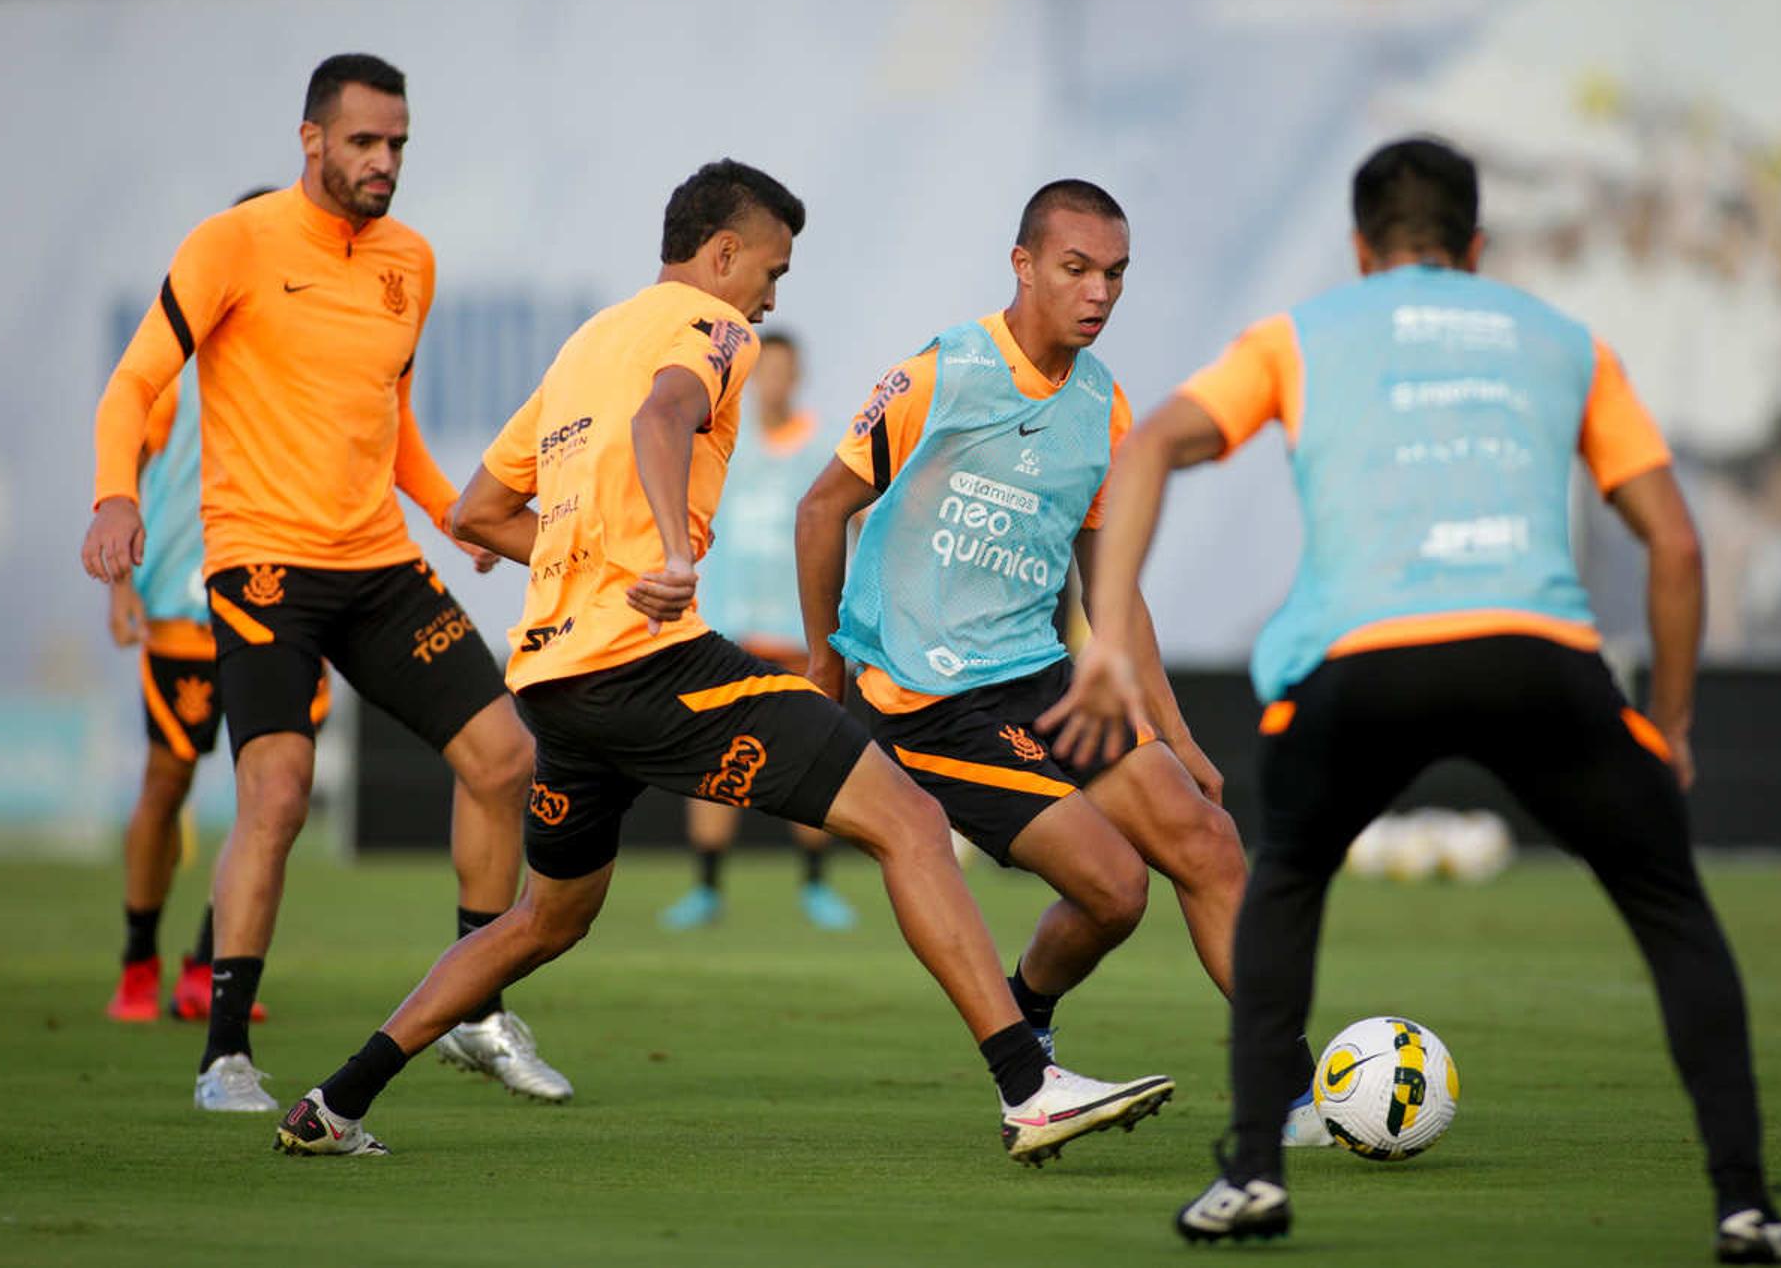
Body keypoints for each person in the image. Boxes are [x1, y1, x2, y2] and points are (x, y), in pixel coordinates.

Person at [270, 159, 1172, 1164]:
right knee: (910, 820)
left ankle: (336, 1102)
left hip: (555, 686)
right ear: (724, 254)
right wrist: (666, 548)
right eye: (772, 271)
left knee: (542, 920)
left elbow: (479, 511)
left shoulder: (585, 346)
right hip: (647, 663)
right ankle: (1026, 1085)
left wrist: (591, 552)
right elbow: (664, 417)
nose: (773, 297)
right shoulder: (715, 330)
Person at [1044, 138, 1781, 1265]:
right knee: (1672, 913)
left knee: (1284, 884)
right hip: (1538, 658)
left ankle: (1254, 1174)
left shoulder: (1300, 335)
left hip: (1362, 664)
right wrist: (1677, 725)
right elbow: (1678, 546)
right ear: (1478, 246)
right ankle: (1747, 1205)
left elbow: (1158, 443)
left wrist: (1111, 641)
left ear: (1362, 251)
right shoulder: (1566, 342)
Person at [82, 53, 571, 1112]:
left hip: (377, 562)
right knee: (279, 790)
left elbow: (386, 427)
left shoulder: (411, 260)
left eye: (397, 144)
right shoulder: (233, 243)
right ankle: (224, 1056)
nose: (383, 161)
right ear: (311, 141)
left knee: (504, 761)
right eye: (363, 142)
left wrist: (454, 515)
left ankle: (474, 1011)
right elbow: (135, 382)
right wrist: (114, 496)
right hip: (261, 564)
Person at [795, 179, 1275, 1109]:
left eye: (1116, 273)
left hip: (1041, 677)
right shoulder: (941, 373)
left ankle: (1293, 1087)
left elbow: (1112, 586)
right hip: (931, 697)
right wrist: (824, 666)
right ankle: (1023, 1046)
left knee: (1206, 841)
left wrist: (1177, 736)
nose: (1099, 292)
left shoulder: (1104, 405)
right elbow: (822, 510)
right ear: (1023, 266)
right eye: (1077, 268)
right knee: (1118, 885)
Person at [105, 279, 330, 1022]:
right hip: (185, 611)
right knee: (166, 784)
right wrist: (120, 586)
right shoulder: (181, 371)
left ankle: (208, 965)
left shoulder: (326, 373)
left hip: (283, 615)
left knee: (267, 798)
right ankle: (139, 957)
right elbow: (127, 453)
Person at [657, 331, 857, 932]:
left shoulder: (822, 447)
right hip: (729, 634)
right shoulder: (724, 444)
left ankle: (816, 886)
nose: (774, 382)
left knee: (814, 764)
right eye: (763, 372)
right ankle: (708, 888)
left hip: (800, 635)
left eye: (783, 372)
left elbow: (858, 517)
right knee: (713, 766)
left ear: (797, 377)